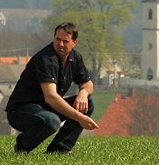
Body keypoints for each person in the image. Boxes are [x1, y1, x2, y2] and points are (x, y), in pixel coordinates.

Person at [6, 22, 99, 154]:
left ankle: (60, 149)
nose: (60, 44)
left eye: (65, 41)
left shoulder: (75, 58)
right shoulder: (45, 59)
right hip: (22, 111)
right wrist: (79, 117)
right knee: (51, 121)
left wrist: (83, 93)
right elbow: (51, 97)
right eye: (57, 39)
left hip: (47, 109)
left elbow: (88, 84)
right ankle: (22, 146)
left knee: (88, 103)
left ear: (74, 42)